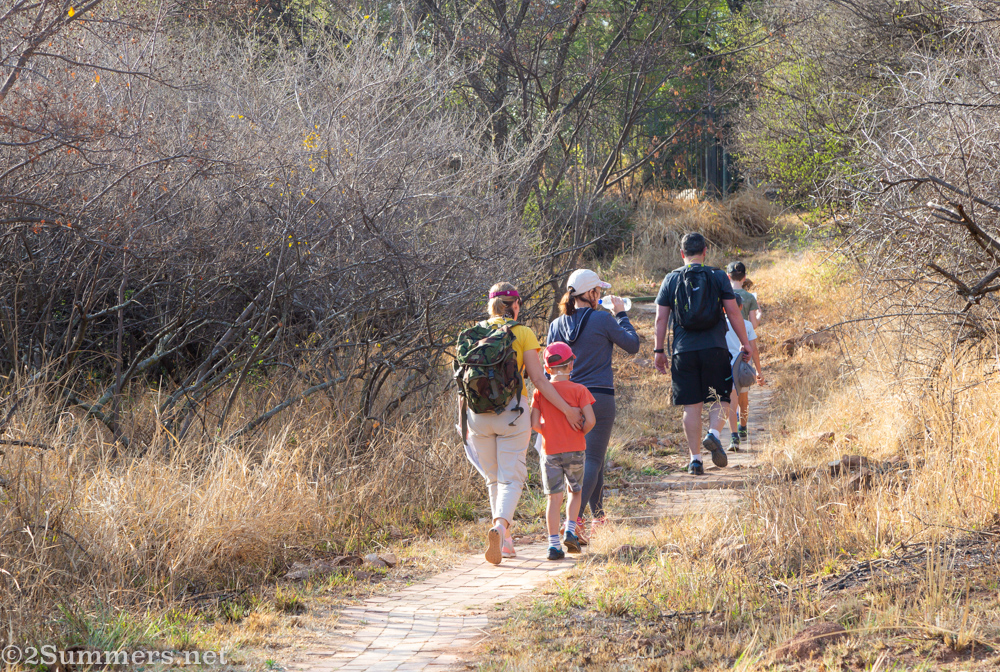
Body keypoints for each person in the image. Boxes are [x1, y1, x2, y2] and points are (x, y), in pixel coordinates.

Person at [463, 282, 585, 565]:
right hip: (512, 413)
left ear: (491, 305)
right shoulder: (523, 333)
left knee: (493, 479)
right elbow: (540, 379)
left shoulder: (473, 333)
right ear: (515, 305)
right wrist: (567, 410)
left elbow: (462, 381)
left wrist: (465, 422)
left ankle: (504, 542)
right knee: (513, 478)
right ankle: (501, 527)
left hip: (477, 416)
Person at [547, 268, 639, 540]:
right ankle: (572, 523)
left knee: (589, 460)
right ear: (590, 293)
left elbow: (547, 365)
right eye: (598, 290)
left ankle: (597, 518)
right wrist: (621, 314)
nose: (601, 295)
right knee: (595, 458)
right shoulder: (603, 320)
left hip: (564, 400)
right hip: (598, 397)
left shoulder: (555, 325)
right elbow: (632, 345)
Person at [653, 233, 752, 476]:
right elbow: (733, 313)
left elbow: (660, 318)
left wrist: (658, 351)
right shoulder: (718, 275)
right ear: (705, 252)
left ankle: (695, 461)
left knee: (691, 405)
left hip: (683, 351)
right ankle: (714, 434)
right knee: (721, 398)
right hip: (714, 348)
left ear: (681, 253)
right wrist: (745, 343)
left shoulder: (671, 279)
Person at [530, 342, 596, 560]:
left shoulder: (540, 392)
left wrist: (548, 432)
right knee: (575, 492)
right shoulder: (580, 390)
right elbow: (592, 420)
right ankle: (569, 530)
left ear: (547, 369)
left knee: (553, 498)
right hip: (575, 449)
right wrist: (580, 432)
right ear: (571, 365)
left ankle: (553, 546)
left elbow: (534, 424)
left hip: (550, 451)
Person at [725, 295, 764, 451]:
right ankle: (742, 428)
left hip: (726, 367)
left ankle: (734, 436)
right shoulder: (747, 325)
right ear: (741, 308)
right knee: (744, 400)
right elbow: (753, 350)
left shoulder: (721, 325)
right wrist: (759, 372)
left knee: (731, 401)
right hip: (743, 368)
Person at [726, 261, 762, 329]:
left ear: (728, 277)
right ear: (744, 277)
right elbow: (753, 325)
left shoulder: (722, 295)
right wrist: (759, 314)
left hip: (726, 337)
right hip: (743, 336)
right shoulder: (750, 297)